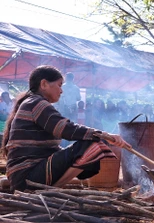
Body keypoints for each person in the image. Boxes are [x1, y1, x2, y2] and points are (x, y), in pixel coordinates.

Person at [1, 65, 131, 192]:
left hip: (23, 176)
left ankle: (48, 188)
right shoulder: (36, 103)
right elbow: (65, 128)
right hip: (27, 176)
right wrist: (105, 135)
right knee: (93, 145)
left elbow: (52, 147)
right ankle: (47, 190)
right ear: (44, 84)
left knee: (84, 149)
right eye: (59, 85)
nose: (61, 91)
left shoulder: (32, 102)